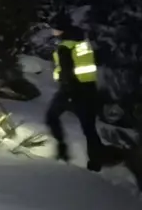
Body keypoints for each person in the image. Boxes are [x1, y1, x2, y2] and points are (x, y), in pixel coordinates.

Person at [45, 16, 105, 171]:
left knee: (52, 116)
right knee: (89, 128)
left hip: (72, 90)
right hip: (90, 89)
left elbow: (67, 72)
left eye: (54, 28)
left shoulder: (65, 47)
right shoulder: (83, 42)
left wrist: (68, 91)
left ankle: (62, 151)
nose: (52, 31)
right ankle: (96, 162)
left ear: (61, 30)